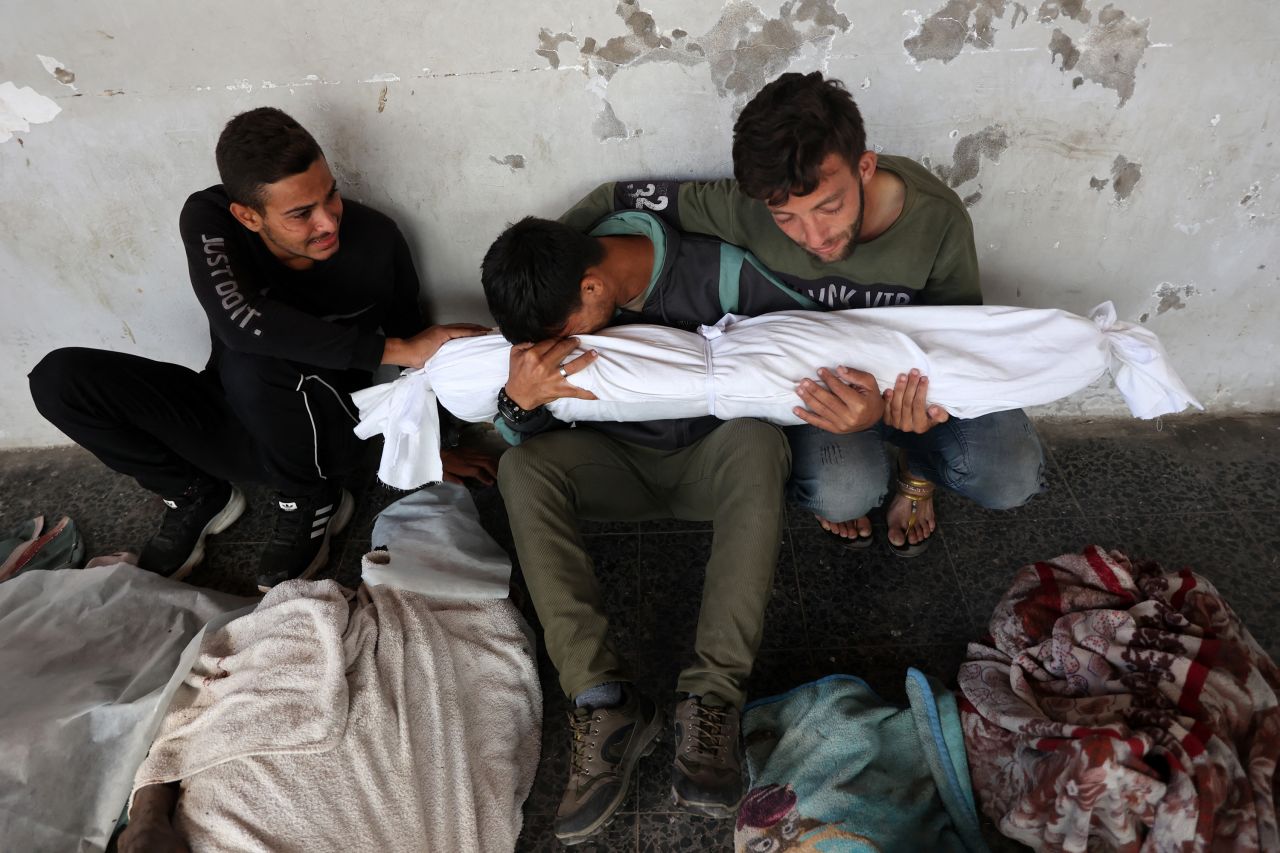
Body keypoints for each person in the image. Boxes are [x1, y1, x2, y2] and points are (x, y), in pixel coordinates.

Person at [560, 70, 1045, 556]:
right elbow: (613, 199)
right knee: (845, 490)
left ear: (866, 168)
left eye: (829, 207)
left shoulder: (937, 218)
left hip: (912, 382)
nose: (814, 238)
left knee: (1009, 474)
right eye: (786, 218)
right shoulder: (744, 207)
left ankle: (916, 472)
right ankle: (845, 487)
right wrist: (534, 294)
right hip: (817, 388)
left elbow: (961, 334)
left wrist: (925, 408)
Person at [29, 107, 492, 591]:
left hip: (326, 435)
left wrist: (425, 446)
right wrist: (399, 348)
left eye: (330, 194)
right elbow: (241, 325)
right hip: (233, 411)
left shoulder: (376, 241)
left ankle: (312, 500)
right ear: (248, 216)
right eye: (300, 213)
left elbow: (415, 360)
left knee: (256, 363)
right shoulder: (210, 218)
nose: (329, 220)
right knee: (58, 379)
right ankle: (193, 495)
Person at [481, 215, 794, 841]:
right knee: (520, 467)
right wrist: (518, 402)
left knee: (760, 444)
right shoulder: (552, 284)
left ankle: (713, 700)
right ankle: (604, 704)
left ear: (595, 289)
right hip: (615, 468)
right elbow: (520, 428)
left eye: (559, 333)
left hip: (715, 462)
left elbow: (804, 344)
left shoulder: (718, 274)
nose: (556, 346)